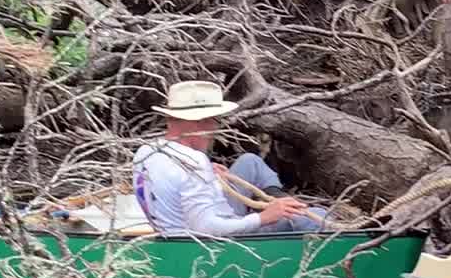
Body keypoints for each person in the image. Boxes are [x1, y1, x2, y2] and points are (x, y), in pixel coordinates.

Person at [132, 80, 324, 236]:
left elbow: (181, 187)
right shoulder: (193, 162)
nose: (216, 128)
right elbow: (207, 229)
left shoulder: (146, 151)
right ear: (202, 122)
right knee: (315, 216)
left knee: (250, 162)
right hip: (215, 244)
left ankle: (284, 202)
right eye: (215, 120)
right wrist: (263, 218)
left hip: (182, 227)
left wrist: (210, 180)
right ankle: (287, 212)